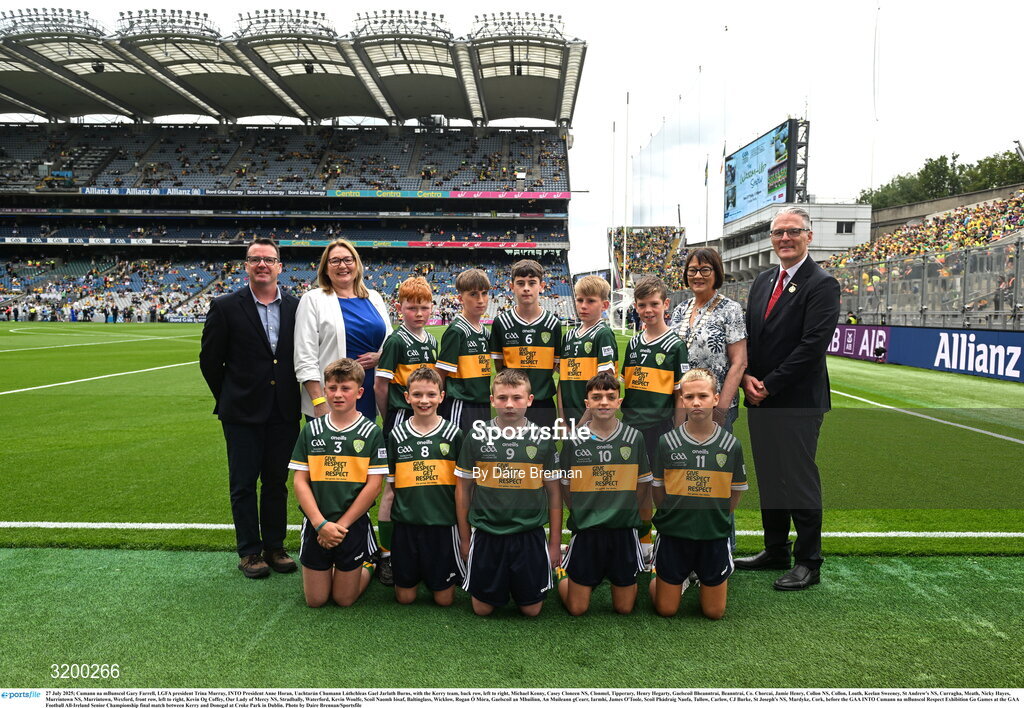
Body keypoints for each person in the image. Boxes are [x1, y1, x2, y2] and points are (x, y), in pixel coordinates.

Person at [736, 206, 841, 591]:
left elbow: (812, 346)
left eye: (793, 231)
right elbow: (751, 336)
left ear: (809, 236)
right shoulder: (764, 280)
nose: (785, 238)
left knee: (798, 479)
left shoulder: (822, 284)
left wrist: (769, 385)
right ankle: (776, 549)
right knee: (770, 477)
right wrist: (747, 377)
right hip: (760, 398)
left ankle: (809, 561)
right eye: (778, 232)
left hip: (796, 401)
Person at [199, 238, 300, 579]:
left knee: (276, 483)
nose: (262, 265)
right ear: (246, 266)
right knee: (243, 484)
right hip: (241, 412)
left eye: (269, 259)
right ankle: (249, 551)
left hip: (283, 410)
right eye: (255, 259)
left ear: (279, 266)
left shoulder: (296, 306)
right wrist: (230, 395)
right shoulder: (225, 306)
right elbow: (210, 361)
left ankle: (274, 546)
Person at [455, 369, 561, 616]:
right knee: (482, 609)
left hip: (528, 533)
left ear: (530, 400)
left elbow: (554, 493)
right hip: (487, 533)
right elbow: (463, 489)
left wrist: (555, 543)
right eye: (502, 398)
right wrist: (465, 538)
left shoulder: (543, 438)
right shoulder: (476, 436)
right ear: (492, 400)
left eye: (517, 398)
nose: (510, 404)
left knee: (532, 610)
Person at [649, 368, 747, 619]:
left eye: (703, 396)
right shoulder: (667, 442)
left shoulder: (731, 445)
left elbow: (735, 493)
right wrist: (672, 515)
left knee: (714, 613)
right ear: (682, 400)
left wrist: (717, 517)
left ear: (716, 399)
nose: (696, 402)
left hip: (712, 535)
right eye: (689, 396)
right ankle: (664, 576)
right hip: (674, 534)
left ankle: (703, 575)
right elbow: (658, 490)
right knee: (666, 609)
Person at [288, 358, 387, 608]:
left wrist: (340, 526)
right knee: (316, 600)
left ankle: (369, 564)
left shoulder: (371, 432)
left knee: (344, 599)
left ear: (359, 392)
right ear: (324, 390)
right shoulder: (311, 430)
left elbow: (374, 486)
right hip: (317, 523)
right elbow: (300, 481)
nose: (338, 394)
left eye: (345, 388)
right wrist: (320, 524)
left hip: (351, 524)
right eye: (332, 388)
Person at [556, 372, 651, 616]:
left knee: (624, 608)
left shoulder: (634, 438)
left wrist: (625, 510)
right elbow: (566, 487)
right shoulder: (574, 440)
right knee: (577, 608)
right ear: (587, 403)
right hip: (588, 531)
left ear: (619, 402)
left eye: (610, 396)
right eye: (597, 397)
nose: (604, 402)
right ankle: (562, 573)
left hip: (622, 531)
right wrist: (582, 512)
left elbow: (642, 486)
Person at [373, 276, 438, 586]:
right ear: (400, 309)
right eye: (412, 308)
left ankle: (419, 549)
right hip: (400, 419)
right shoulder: (396, 341)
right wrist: (389, 419)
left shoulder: (431, 341)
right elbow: (380, 385)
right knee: (393, 488)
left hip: (425, 421)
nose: (419, 314)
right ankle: (386, 554)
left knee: (423, 483)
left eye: (424, 307)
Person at [386, 366, 464, 606]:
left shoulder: (454, 434)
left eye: (431, 394)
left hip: (442, 525)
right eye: (417, 394)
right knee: (405, 598)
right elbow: (393, 485)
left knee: (444, 600)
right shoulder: (397, 435)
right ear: (407, 397)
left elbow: (463, 487)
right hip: (407, 526)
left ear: (442, 396)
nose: (424, 400)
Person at [294, 238, 392, 424]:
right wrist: (318, 401)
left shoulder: (374, 298)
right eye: (335, 261)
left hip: (367, 394)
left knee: (364, 442)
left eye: (348, 260)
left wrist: (381, 357)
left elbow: (390, 343)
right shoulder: (313, 299)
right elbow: (304, 356)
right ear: (325, 268)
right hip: (329, 398)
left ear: (357, 264)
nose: (342, 265)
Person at [669, 248, 747, 432]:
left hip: (713, 406)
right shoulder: (680, 310)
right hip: (681, 404)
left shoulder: (730, 309)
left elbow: (739, 363)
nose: (698, 276)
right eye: (692, 270)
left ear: (716, 272)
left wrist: (720, 410)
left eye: (705, 270)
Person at [489, 259, 562, 430]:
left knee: (545, 445)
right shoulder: (501, 322)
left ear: (542, 286)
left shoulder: (553, 324)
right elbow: (499, 365)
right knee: (511, 445)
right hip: (512, 404)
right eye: (520, 283)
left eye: (532, 283)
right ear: (511, 286)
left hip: (543, 403)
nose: (526, 288)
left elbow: (554, 364)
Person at [558, 275, 618, 427]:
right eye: (580, 300)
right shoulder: (568, 336)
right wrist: (562, 421)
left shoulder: (603, 334)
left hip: (592, 421)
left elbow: (604, 386)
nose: (583, 306)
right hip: (569, 420)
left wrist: (582, 425)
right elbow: (561, 382)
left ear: (604, 305)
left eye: (591, 301)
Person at [436, 268, 493, 431]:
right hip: (461, 405)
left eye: (484, 293)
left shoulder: (484, 331)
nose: (480, 300)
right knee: (461, 446)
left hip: (482, 403)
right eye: (473, 294)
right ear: (461, 298)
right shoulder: (457, 331)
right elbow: (441, 373)